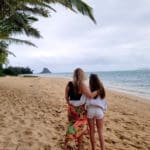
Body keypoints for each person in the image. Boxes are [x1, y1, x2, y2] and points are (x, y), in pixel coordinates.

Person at [65, 68, 97, 150]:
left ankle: (74, 144)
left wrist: (70, 105)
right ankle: (75, 143)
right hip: (80, 111)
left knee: (74, 126)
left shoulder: (69, 84)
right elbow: (90, 95)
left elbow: (66, 98)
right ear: (81, 75)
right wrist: (98, 90)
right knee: (81, 128)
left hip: (71, 110)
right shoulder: (82, 85)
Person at [86, 74, 107, 150]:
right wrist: (104, 110)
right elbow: (104, 102)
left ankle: (93, 148)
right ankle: (102, 148)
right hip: (99, 111)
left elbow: (86, 102)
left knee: (92, 131)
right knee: (100, 131)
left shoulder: (88, 89)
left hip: (90, 110)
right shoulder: (101, 90)